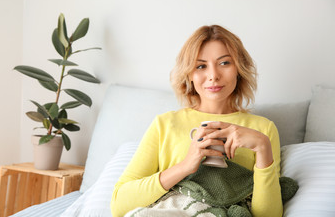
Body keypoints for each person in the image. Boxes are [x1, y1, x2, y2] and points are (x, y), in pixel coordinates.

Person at [111, 25, 282, 217]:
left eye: (224, 63)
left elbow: (269, 216)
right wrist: (185, 165)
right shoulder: (165, 124)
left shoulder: (263, 130)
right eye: (201, 66)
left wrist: (262, 147)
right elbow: (119, 204)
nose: (213, 75)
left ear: (238, 69)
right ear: (189, 74)